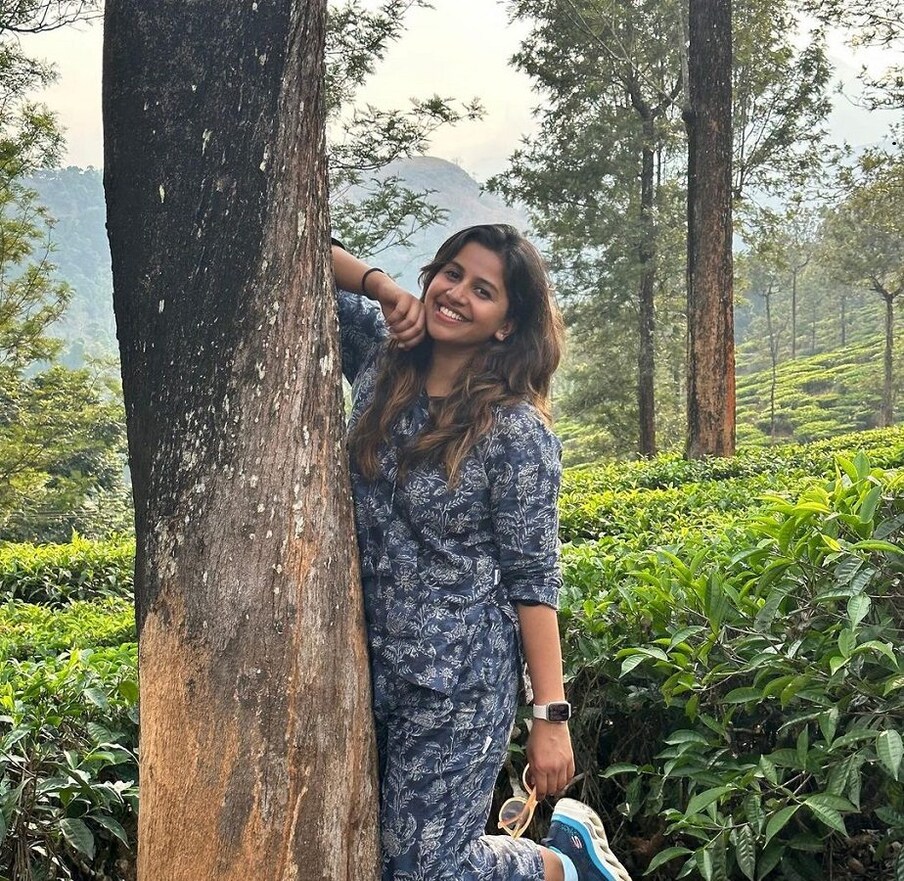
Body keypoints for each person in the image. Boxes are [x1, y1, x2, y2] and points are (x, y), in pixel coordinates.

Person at [331, 224, 631, 881]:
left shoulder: (516, 432)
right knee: (371, 852)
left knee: (425, 870)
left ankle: (561, 864)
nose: (457, 293)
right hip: (364, 663)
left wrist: (550, 717)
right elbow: (303, 256)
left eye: (484, 290)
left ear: (506, 324)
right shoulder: (383, 357)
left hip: (457, 681)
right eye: (452, 273)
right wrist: (382, 287)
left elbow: (534, 579)